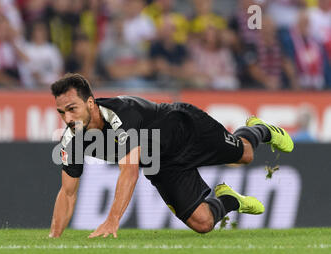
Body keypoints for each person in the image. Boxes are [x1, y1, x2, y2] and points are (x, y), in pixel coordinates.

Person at [48, 73, 294, 238]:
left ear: (90, 103)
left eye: (72, 109)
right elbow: (68, 193)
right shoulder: (72, 140)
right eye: (62, 113)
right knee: (203, 224)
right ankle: (230, 200)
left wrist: (112, 220)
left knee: (245, 155)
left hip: (187, 129)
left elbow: (130, 172)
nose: (68, 119)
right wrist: (54, 238)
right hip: (162, 163)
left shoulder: (122, 115)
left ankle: (261, 129)